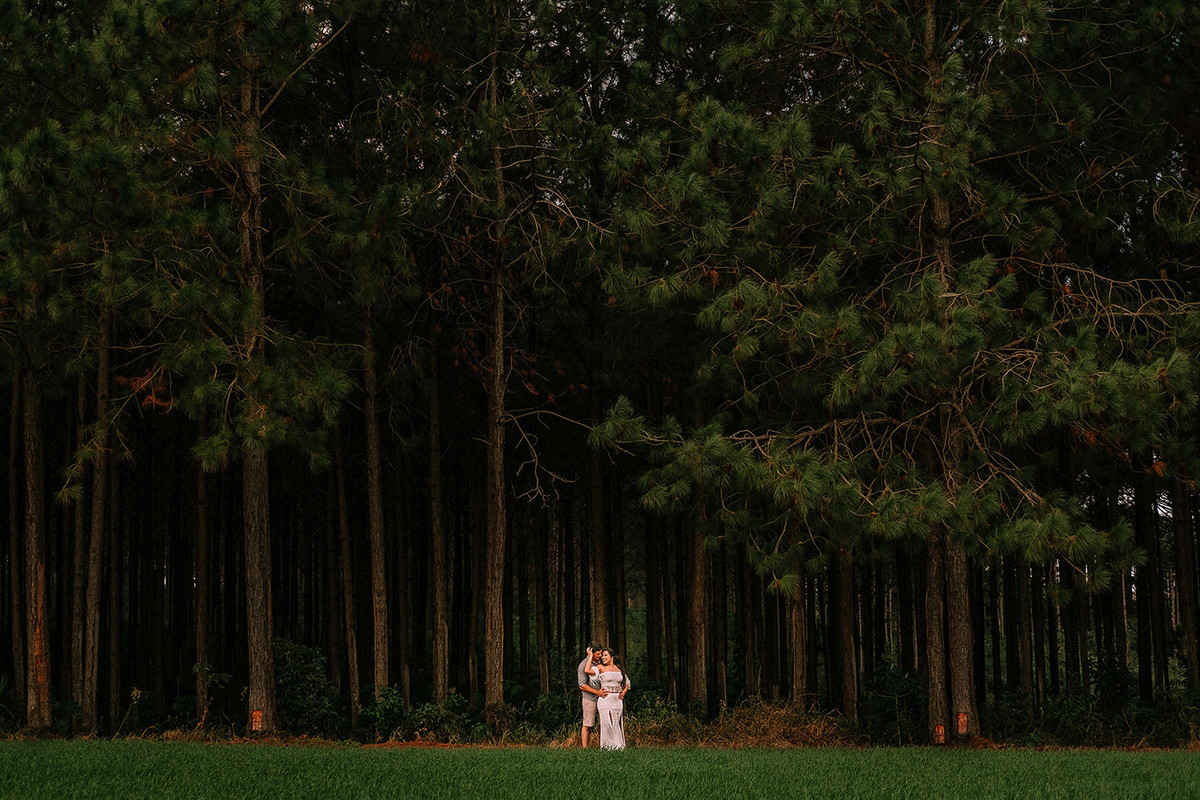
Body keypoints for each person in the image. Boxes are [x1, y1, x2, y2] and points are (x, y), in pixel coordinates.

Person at [588, 648, 630, 750]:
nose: (603, 657)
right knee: (607, 722)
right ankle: (608, 746)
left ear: (612, 657)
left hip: (617, 700)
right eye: (602, 656)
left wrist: (623, 693)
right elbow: (587, 670)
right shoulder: (600, 667)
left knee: (616, 722)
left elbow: (627, 683)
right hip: (605, 699)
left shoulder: (619, 669)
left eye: (605, 655)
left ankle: (619, 746)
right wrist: (590, 656)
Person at [577, 642, 605, 747]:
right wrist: (597, 692)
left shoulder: (603, 662)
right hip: (590, 699)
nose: (600, 656)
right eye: (597, 654)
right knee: (588, 724)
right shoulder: (583, 665)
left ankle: (604, 746)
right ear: (591, 653)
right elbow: (582, 685)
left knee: (604, 724)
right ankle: (585, 748)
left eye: (600, 654)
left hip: (604, 698)